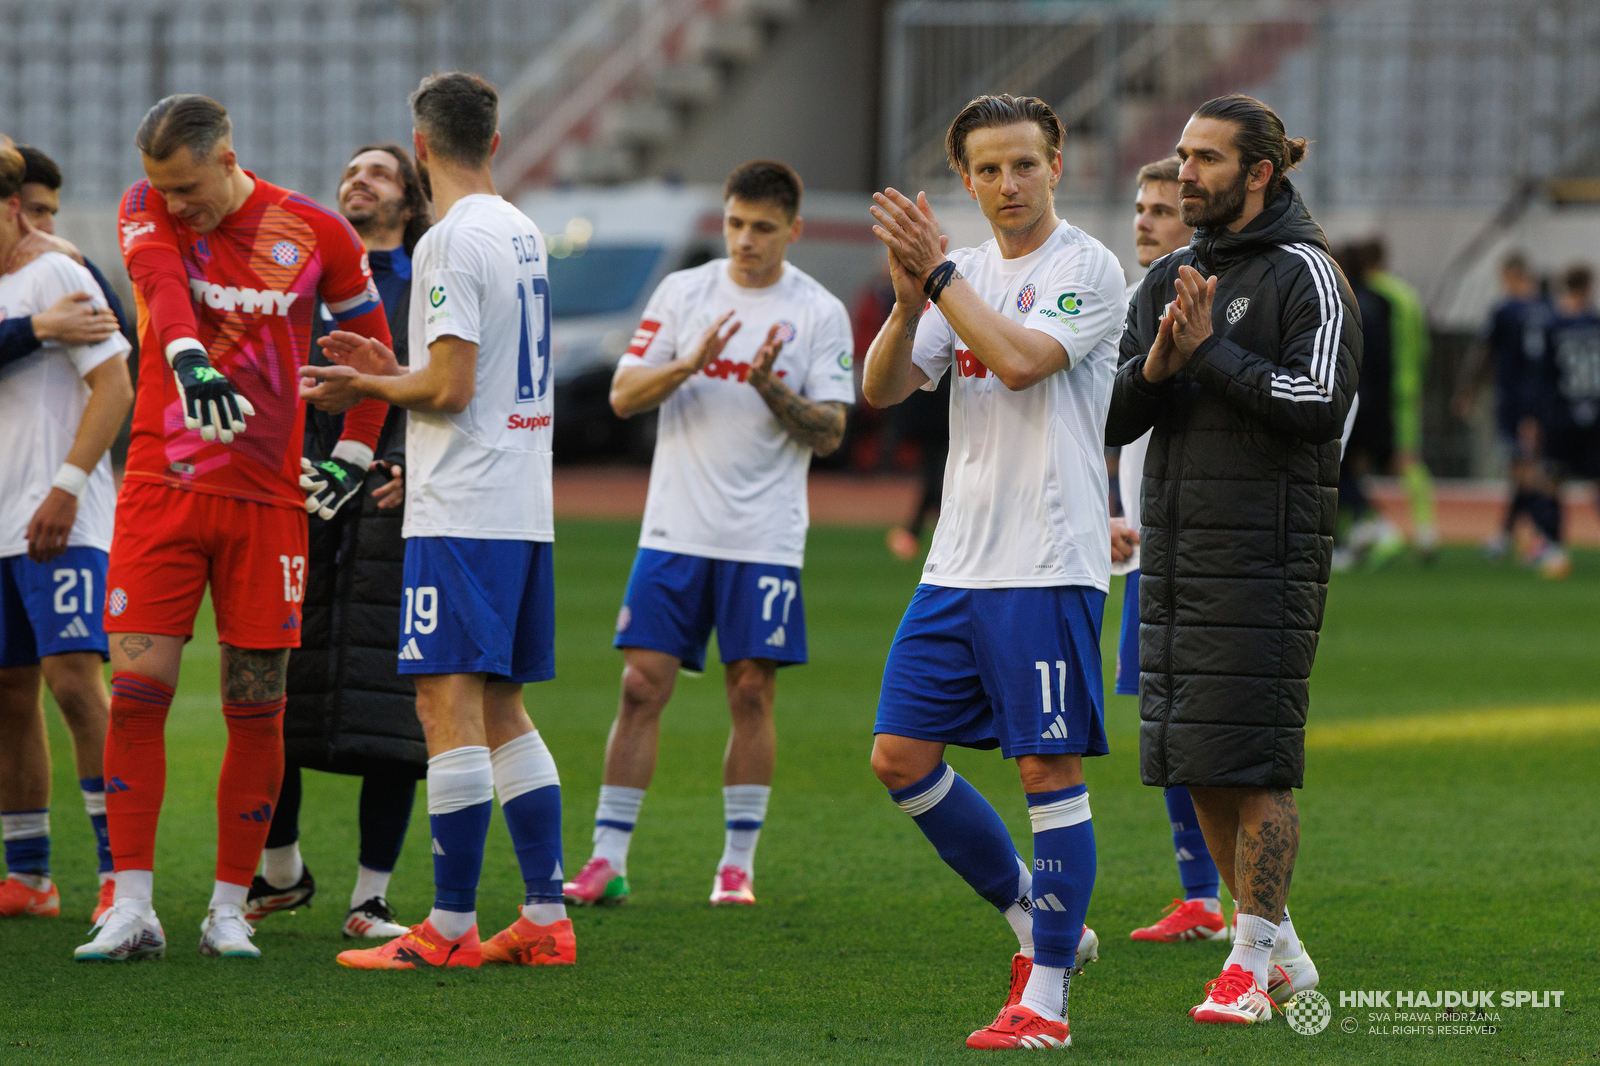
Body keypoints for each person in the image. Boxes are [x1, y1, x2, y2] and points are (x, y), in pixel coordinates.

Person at [74, 94, 395, 963]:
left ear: (227, 158)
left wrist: (356, 454)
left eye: (187, 187)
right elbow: (163, 293)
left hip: (267, 505)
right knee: (137, 696)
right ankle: (132, 906)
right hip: (160, 488)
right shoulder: (146, 208)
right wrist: (185, 361)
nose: (175, 204)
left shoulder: (315, 232)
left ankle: (228, 908)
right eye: (161, 189)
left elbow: (374, 349)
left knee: (258, 709)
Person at [863, 94, 1124, 1050]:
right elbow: (884, 388)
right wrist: (905, 303)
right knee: (900, 758)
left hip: (1047, 561)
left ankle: (1046, 1002)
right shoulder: (959, 273)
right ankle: (1033, 920)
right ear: (964, 179)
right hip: (958, 563)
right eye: (986, 170)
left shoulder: (1087, 268)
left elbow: (1017, 363)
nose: (1007, 185)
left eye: (1023, 164)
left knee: (1045, 767)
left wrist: (935, 277)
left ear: (1056, 163)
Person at [301, 71, 574, 971]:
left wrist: (367, 385)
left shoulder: (450, 242)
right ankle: (543, 914)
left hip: (463, 509)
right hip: (521, 506)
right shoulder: (522, 229)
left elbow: (450, 391)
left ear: (419, 149)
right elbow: (473, 373)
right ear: (493, 141)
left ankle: (449, 928)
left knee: (442, 704)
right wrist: (396, 363)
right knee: (502, 708)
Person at [1107, 93, 1359, 1025]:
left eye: (1206, 159)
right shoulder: (1168, 271)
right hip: (1176, 554)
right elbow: (1113, 412)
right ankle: (1281, 950)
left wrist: (1207, 354)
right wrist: (1161, 369)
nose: (1184, 175)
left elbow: (1317, 402)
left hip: (1267, 556)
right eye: (1181, 156)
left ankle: (1248, 964)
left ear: (1261, 172)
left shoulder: (1310, 275)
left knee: (1255, 764)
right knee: (1199, 760)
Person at [562, 161, 853, 910]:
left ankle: (736, 863)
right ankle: (606, 857)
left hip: (763, 535)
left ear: (792, 229)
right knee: (638, 687)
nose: (745, 240)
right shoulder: (684, 295)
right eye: (734, 224)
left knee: (751, 692)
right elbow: (625, 394)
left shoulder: (817, 312)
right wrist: (688, 363)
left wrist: (770, 387)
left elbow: (830, 432)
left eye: (761, 227)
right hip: (675, 529)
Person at [247, 144, 431, 939]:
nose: (360, 181)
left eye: (379, 173)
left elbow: (452, 389)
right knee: (274, 689)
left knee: (396, 715)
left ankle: (370, 900)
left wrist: (409, 462)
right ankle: (281, 870)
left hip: (391, 511)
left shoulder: (429, 281)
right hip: (297, 503)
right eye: (352, 172)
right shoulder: (301, 274)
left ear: (409, 201)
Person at [0, 135, 133, 921]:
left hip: (61, 517)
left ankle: (122, 877)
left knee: (77, 687)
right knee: (8, 695)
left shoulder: (55, 271)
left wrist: (67, 486)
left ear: (12, 209)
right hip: (4, 522)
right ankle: (30, 877)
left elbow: (114, 387)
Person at [1113, 157, 1226, 946]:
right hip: (1140, 548)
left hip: (1191, 547)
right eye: (1142, 207)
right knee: (1166, 728)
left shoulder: (1209, 306)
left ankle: (1240, 907)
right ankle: (1201, 897)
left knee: (1200, 731)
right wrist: (1108, 512)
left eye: (1164, 209)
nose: (1146, 221)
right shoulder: (1131, 301)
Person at [1454, 254, 1561, 562]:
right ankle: (1506, 535)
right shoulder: (1549, 309)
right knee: (1526, 472)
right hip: (1548, 402)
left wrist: (1467, 390)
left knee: (1527, 473)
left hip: (1515, 401)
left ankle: (1547, 538)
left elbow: (1484, 352)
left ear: (1511, 275)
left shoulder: (1505, 311)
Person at [1364, 240, 1438, 560]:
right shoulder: (1407, 295)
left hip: (1377, 389)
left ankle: (1367, 527)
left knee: (1354, 457)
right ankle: (1424, 531)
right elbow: (1424, 346)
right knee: (1408, 459)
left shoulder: (1371, 294)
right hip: (1408, 387)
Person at [1529, 263, 1600, 578]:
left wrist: (1535, 418)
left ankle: (1556, 551)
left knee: (1551, 483)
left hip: (1561, 416)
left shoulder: (1553, 325)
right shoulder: (1597, 323)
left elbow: (1543, 377)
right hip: (1596, 415)